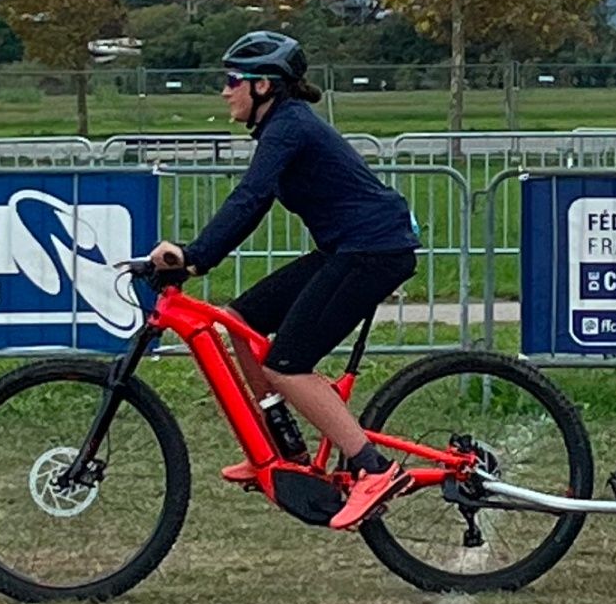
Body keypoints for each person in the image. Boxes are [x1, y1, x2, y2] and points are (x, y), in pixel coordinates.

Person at [145, 30, 423, 531]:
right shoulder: (281, 126)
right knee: (237, 320)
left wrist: (194, 255)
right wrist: (195, 257)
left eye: (233, 81)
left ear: (265, 87)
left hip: (374, 250)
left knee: (288, 365)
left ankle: (372, 467)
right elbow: (253, 201)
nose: (225, 91)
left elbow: (251, 198)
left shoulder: (289, 126)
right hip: (347, 247)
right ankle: (279, 447)